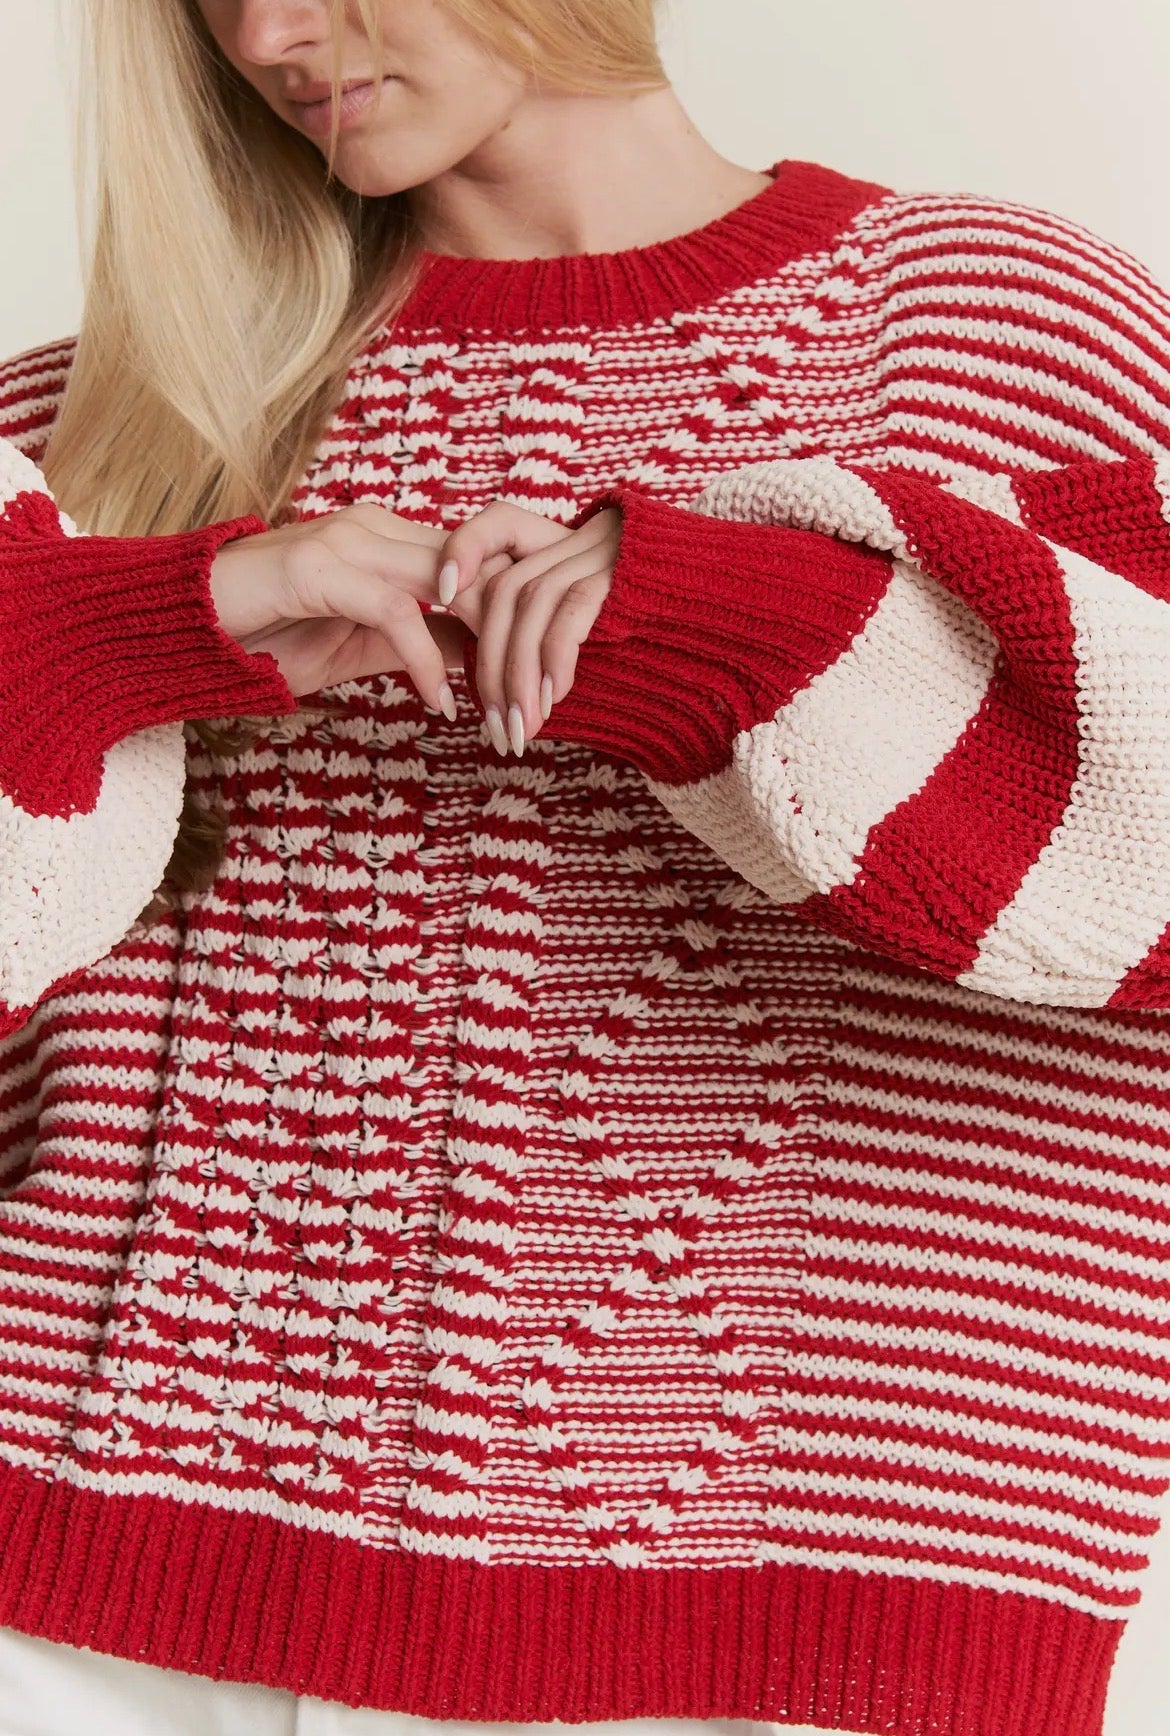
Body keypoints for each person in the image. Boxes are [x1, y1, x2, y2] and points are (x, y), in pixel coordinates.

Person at [2, 2, 1170, 1734]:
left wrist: (731, 626)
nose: (268, 31)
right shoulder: (105, 414)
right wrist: (125, 629)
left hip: (795, 1616)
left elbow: (1136, 884)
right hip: (79, 1578)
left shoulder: (988, 327)